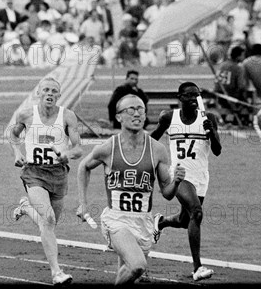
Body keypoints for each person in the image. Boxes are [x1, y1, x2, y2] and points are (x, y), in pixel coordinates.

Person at [77, 95, 186, 285]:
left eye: (140, 109)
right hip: (116, 220)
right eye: (131, 110)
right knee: (137, 266)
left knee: (127, 275)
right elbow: (83, 167)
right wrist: (83, 204)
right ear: (119, 117)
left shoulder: (158, 150)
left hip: (143, 221)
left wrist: (176, 182)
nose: (137, 113)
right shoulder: (109, 147)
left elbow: (167, 193)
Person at [9, 77, 83, 285]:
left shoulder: (68, 116)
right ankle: (56, 272)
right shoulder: (26, 114)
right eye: (46, 90)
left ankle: (25, 207)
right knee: (48, 218)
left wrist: (66, 153)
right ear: (38, 93)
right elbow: (12, 134)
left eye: (54, 91)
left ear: (59, 95)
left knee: (49, 224)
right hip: (34, 172)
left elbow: (78, 148)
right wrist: (16, 151)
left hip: (58, 173)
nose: (50, 94)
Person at [150, 82, 222, 282]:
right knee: (196, 213)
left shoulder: (209, 118)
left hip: (200, 176)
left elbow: (217, 151)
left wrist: (212, 133)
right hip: (179, 175)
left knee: (185, 220)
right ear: (179, 97)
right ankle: (197, 267)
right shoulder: (168, 117)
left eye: (196, 95)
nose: (192, 99)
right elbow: (152, 140)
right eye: (188, 96)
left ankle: (161, 222)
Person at [214, 45, 249, 124]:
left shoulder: (223, 64)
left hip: (218, 93)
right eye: (243, 55)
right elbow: (241, 86)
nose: (244, 57)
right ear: (238, 56)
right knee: (246, 98)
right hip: (230, 95)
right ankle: (242, 118)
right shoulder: (237, 68)